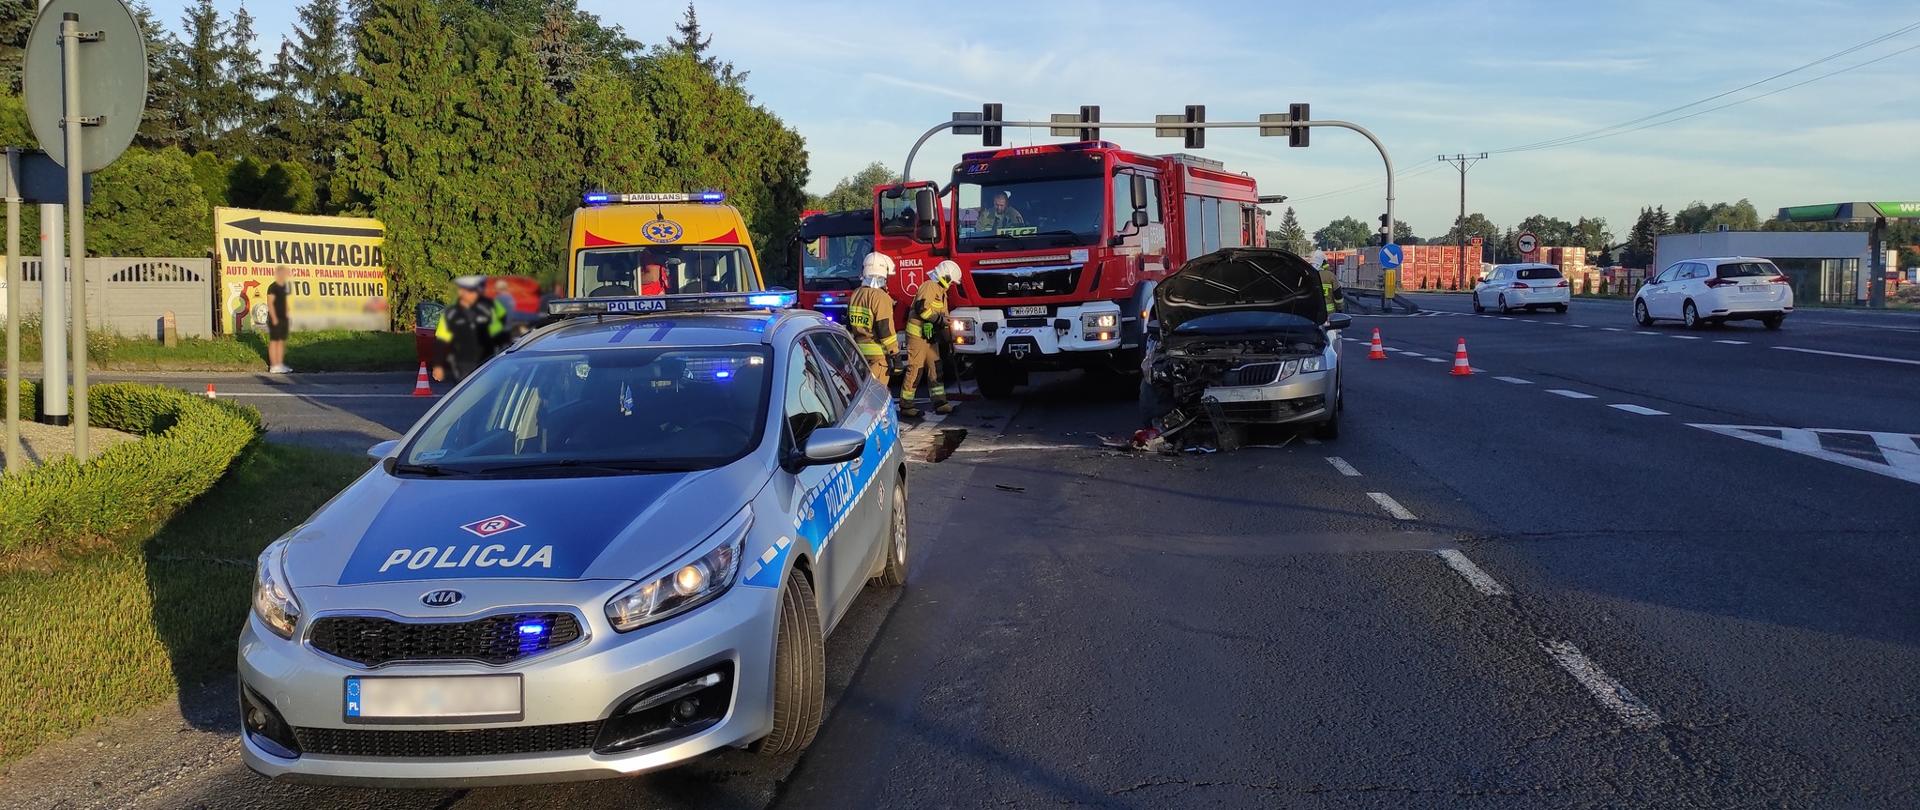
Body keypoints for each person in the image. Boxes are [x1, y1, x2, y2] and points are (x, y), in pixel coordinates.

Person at [900, 261, 960, 417]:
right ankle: (906, 405)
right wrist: (937, 320)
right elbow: (922, 308)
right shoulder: (929, 286)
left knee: (935, 368)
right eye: (951, 281)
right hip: (917, 335)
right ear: (945, 277)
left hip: (930, 337)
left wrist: (946, 335)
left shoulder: (942, 293)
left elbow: (944, 317)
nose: (951, 284)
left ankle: (940, 402)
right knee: (916, 369)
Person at [433, 275, 509, 383]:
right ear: (461, 292)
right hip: (463, 362)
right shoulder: (450, 313)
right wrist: (438, 365)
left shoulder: (488, 306)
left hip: (487, 360)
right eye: (472, 291)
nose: (476, 295)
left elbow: (501, 328)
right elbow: (441, 340)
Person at [847, 252, 900, 384]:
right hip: (878, 357)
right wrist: (895, 354)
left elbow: (849, 324)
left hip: (859, 355)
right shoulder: (880, 297)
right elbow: (885, 330)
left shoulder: (856, 294)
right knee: (876, 398)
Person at [266, 266, 292, 373]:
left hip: (283, 318)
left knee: (281, 341)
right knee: (274, 341)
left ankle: (280, 364)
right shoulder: (273, 287)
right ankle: (273, 365)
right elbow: (270, 303)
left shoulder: (284, 287)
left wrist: (287, 314)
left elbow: (284, 302)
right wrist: (274, 318)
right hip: (275, 318)